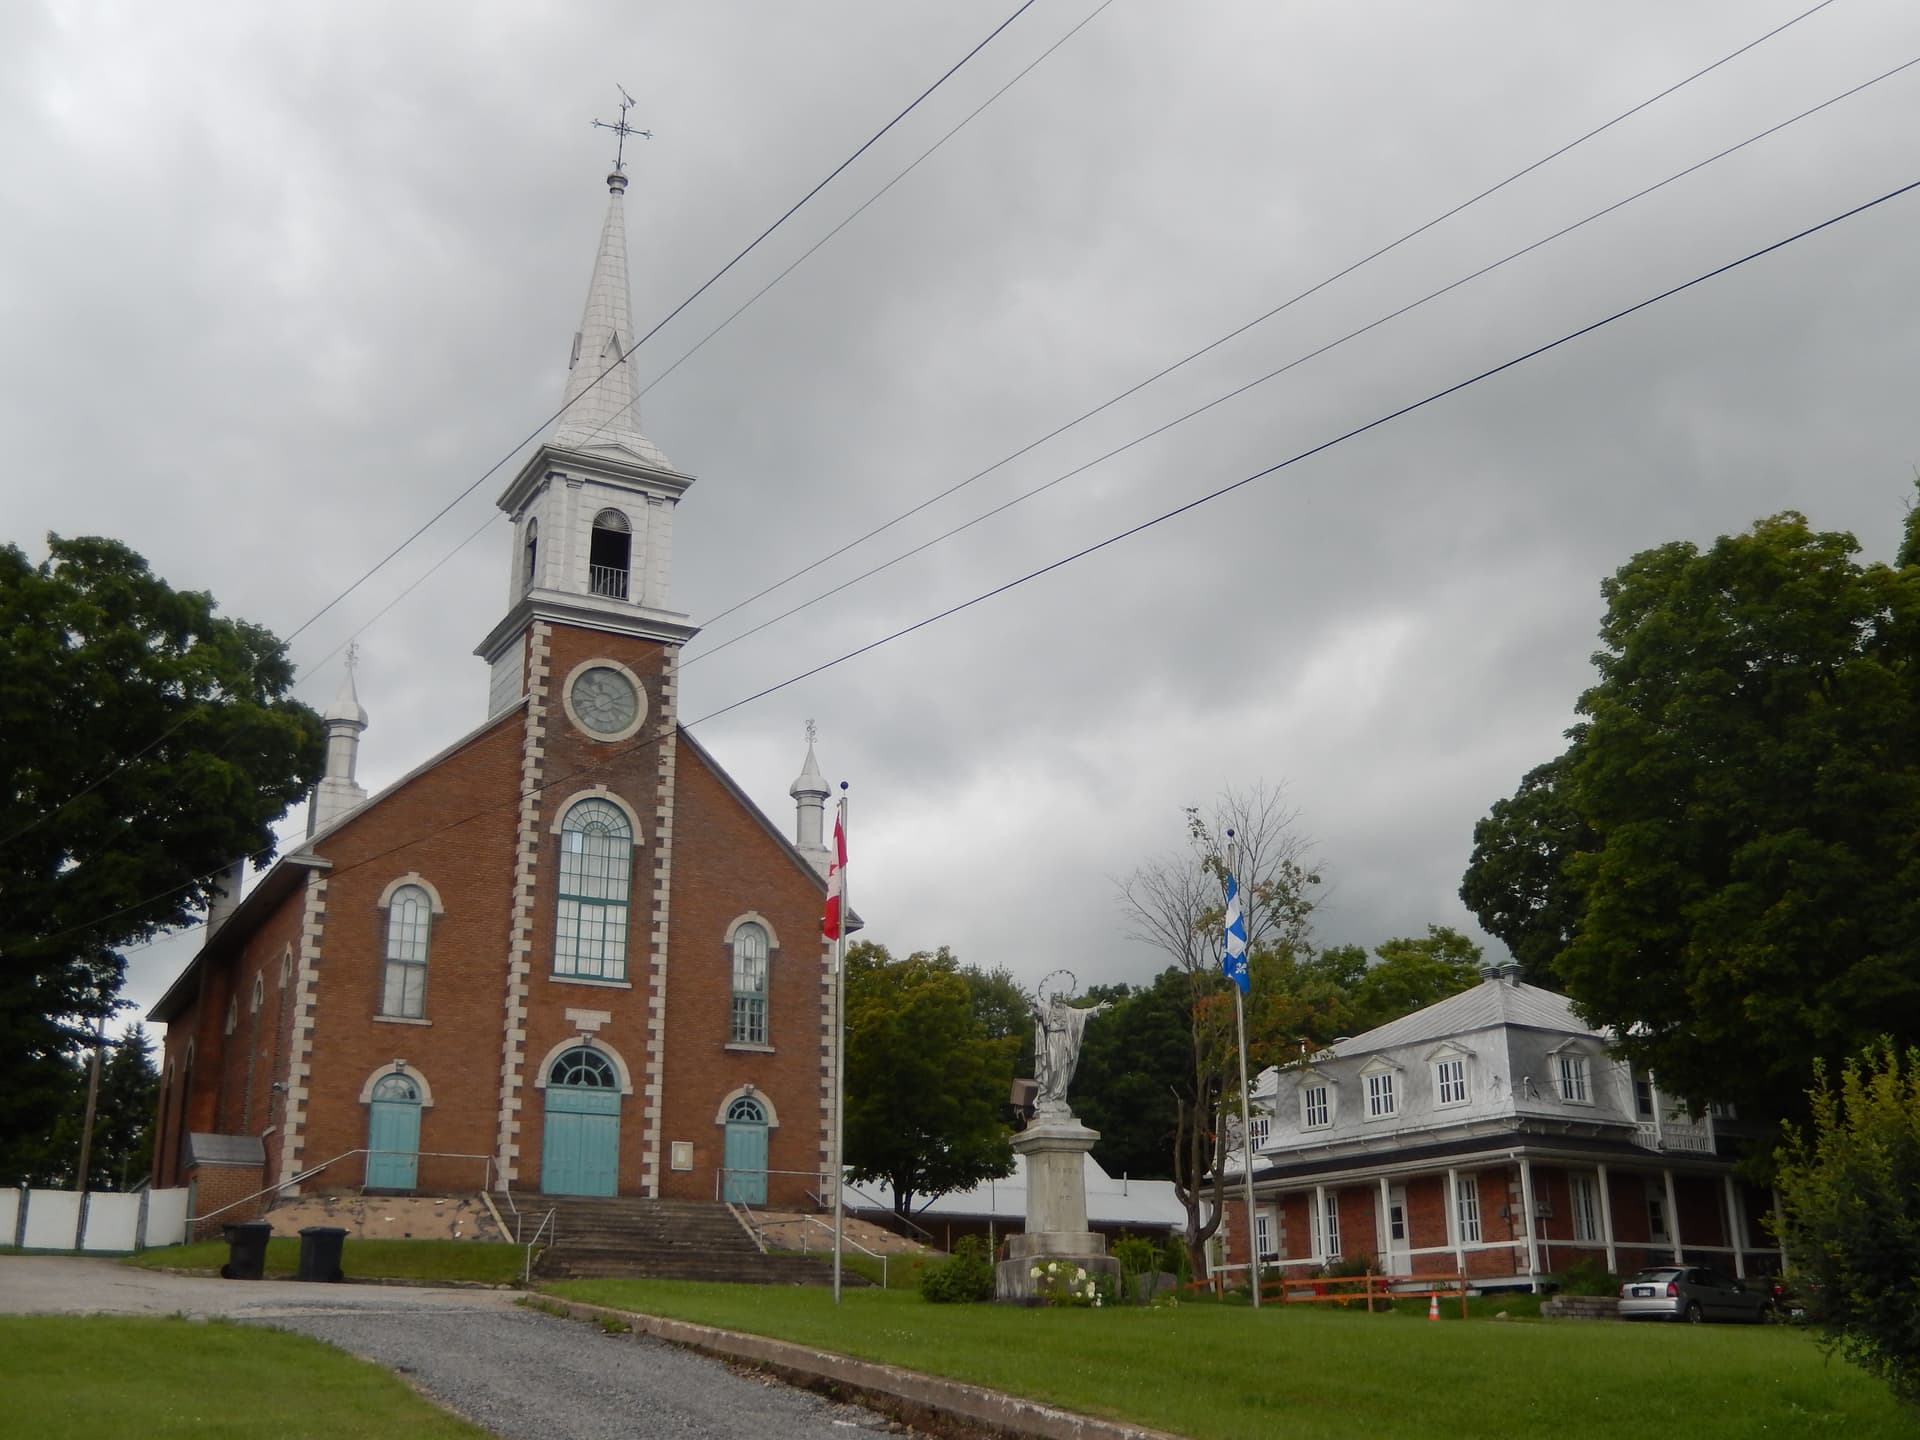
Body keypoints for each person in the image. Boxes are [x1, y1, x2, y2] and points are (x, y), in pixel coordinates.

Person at [1030, 994, 1111, 1116]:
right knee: (1053, 1068)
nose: (1059, 999)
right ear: (1052, 998)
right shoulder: (1048, 1009)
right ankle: (1047, 1097)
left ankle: (1058, 1098)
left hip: (1064, 1041)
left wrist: (1097, 1008)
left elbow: (1083, 1013)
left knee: (1063, 1069)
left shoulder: (1068, 1011)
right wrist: (1034, 1005)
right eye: (1057, 997)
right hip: (1052, 1039)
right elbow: (1039, 1014)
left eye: (1061, 997)